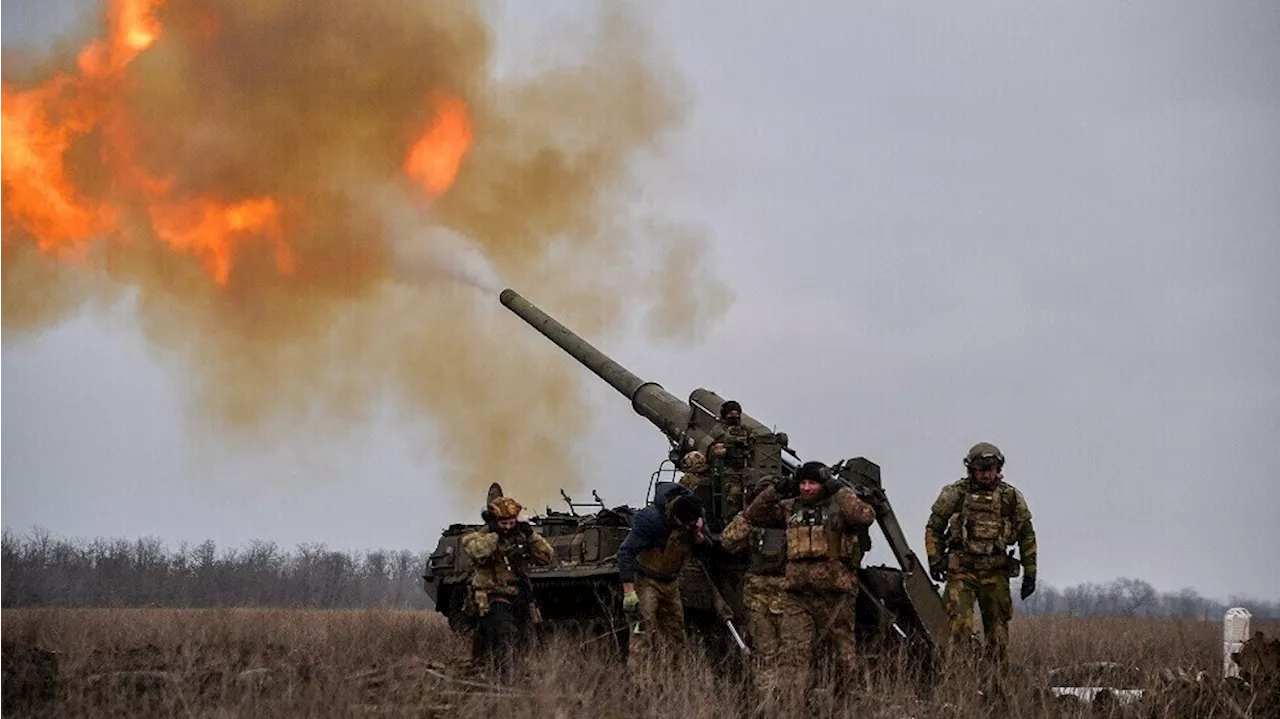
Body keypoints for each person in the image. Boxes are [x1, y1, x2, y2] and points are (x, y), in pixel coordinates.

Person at [743, 461, 877, 699]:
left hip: (835, 595)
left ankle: (849, 705)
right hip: (798, 596)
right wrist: (775, 490)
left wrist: (840, 490)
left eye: (812, 483)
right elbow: (753, 515)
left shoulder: (839, 508)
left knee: (843, 656)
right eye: (802, 483)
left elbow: (865, 516)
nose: (806, 488)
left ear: (823, 484)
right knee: (793, 657)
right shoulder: (789, 508)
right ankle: (789, 709)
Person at [924, 442, 1037, 663]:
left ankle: (995, 684)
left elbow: (1027, 535)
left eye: (991, 468)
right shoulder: (955, 494)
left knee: (998, 635)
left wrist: (1030, 573)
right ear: (971, 469)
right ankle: (959, 683)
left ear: (998, 468)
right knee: (958, 629)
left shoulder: (1010, 497)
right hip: (962, 572)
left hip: (996, 572)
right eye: (981, 468)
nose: (986, 474)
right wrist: (935, 559)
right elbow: (934, 527)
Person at [617, 482, 713, 670]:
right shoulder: (651, 520)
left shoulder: (696, 517)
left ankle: (673, 681)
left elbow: (708, 548)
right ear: (675, 517)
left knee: (677, 636)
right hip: (646, 582)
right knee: (641, 632)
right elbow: (625, 553)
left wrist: (699, 537)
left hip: (671, 583)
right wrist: (629, 591)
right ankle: (638, 683)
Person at [460, 495, 555, 682]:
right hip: (491, 597)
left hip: (518, 597)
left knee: (525, 638)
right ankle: (504, 680)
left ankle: (516, 676)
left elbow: (547, 557)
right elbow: (478, 551)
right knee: (504, 634)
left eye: (512, 523)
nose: (508, 527)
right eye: (503, 523)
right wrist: (493, 534)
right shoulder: (477, 537)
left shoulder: (520, 538)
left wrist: (531, 536)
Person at [720, 481, 796, 710]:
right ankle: (775, 706)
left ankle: (773, 705)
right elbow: (728, 541)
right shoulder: (789, 519)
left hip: (772, 594)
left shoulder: (788, 520)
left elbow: (728, 541)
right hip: (772, 595)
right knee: (773, 655)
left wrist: (748, 515)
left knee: (773, 656)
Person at [708, 400, 755, 520]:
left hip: (745, 468)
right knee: (733, 496)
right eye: (730, 415)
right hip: (728, 469)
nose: (734, 417)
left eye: (736, 415)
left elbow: (754, 443)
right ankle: (729, 521)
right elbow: (715, 447)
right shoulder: (718, 430)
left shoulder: (746, 430)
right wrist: (732, 443)